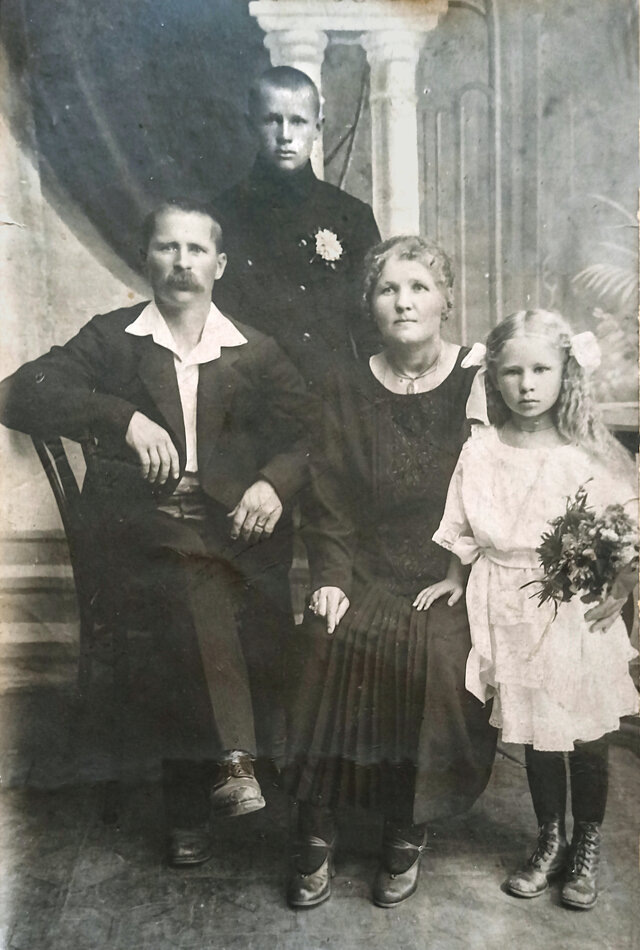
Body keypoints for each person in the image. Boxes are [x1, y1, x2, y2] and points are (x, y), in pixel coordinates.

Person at [0, 197, 310, 868]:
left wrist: (273, 483)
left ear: (220, 264)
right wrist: (122, 418)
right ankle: (230, 764)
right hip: (138, 531)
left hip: (233, 530)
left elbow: (313, 433)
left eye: (197, 249)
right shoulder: (114, 339)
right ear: (145, 259)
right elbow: (17, 392)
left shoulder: (254, 351)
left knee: (208, 588)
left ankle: (193, 802)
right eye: (168, 247)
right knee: (194, 581)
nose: (182, 262)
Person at [284, 235, 498, 910]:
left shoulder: (477, 378)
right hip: (366, 569)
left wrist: (463, 568)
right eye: (388, 289)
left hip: (450, 572)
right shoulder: (345, 385)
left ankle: (408, 822)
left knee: (440, 656)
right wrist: (331, 577)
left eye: (419, 287)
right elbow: (329, 499)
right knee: (324, 638)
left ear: (446, 301)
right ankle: (316, 822)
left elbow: (500, 487)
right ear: (370, 305)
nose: (403, 301)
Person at [427, 309, 638, 910]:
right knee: (539, 732)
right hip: (508, 602)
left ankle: (586, 842)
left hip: (576, 605)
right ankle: (550, 837)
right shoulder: (482, 449)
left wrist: (622, 588)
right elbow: (462, 521)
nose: (527, 385)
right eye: (513, 372)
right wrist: (453, 577)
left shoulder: (586, 452)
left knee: (587, 733)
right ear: (493, 377)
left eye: (541, 370)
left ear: (565, 373)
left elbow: (627, 529)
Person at [213, 66, 381, 395]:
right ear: (250, 125)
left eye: (299, 121)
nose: (285, 135)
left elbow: (372, 327)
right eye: (272, 120)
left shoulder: (352, 216)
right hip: (247, 397)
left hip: (332, 399)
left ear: (318, 128)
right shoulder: (220, 216)